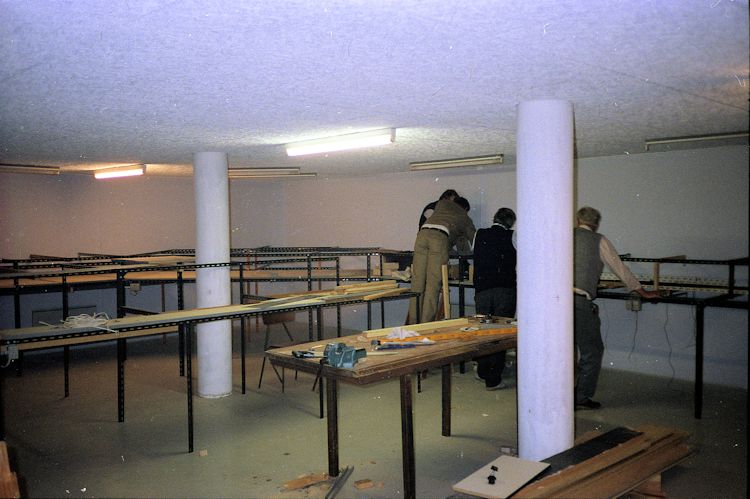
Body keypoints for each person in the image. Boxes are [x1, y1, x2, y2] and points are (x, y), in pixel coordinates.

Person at [574, 206, 660, 409]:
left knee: (563, 350)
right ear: (596, 224)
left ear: (578, 220)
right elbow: (620, 268)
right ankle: (581, 398)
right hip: (579, 301)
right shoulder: (599, 240)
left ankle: (559, 395)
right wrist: (643, 292)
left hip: (555, 301)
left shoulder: (564, 236)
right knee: (592, 351)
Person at [408, 196, 476, 324]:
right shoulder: (464, 217)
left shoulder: (442, 204)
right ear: (465, 208)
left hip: (422, 235)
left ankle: (412, 324)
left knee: (417, 283)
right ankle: (426, 325)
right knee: (432, 285)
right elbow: (474, 242)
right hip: (439, 238)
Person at [472, 208, 517, 390]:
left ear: (495, 218)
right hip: (504, 290)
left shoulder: (479, 234)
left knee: (484, 332)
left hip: (482, 289)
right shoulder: (513, 236)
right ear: (510, 223)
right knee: (500, 333)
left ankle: (482, 371)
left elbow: (475, 255)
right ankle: (493, 379)